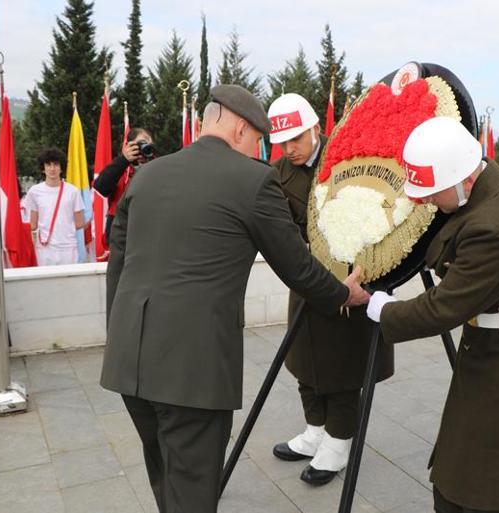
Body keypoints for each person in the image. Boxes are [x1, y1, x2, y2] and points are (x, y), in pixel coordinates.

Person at [99, 84, 370, 513]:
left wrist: (119, 334)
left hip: (128, 360)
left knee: (165, 475)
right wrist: (345, 293)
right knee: (192, 489)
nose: (261, 149)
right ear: (242, 129)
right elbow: (296, 266)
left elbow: (120, 263)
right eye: (260, 139)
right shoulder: (254, 180)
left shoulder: (148, 174)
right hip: (192, 369)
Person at [366, 117, 499, 513]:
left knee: (475, 486)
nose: (428, 202)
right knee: (466, 471)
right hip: (491, 348)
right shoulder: (485, 186)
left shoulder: (494, 228)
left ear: (464, 179)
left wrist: (381, 308)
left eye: (434, 194)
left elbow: (443, 307)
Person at [267, 93, 394, 486]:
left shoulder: (346, 161)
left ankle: (338, 444)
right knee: (304, 362)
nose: (290, 149)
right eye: (283, 141)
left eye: (297, 139)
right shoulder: (277, 175)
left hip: (350, 281)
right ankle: (315, 431)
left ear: (316, 130)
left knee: (341, 368)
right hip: (307, 281)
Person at [92, 128, 154, 245]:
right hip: (121, 235)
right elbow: (100, 187)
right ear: (128, 146)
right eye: (139, 145)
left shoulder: (157, 167)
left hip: (148, 232)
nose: (143, 149)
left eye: (147, 145)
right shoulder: (120, 169)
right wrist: (124, 160)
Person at [25, 149, 85, 266]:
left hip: (68, 248)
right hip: (44, 249)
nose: (52, 169)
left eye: (56, 164)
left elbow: (79, 223)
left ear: (61, 167)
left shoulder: (73, 191)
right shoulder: (34, 191)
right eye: (48, 165)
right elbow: (33, 224)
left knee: (69, 283)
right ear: (43, 168)